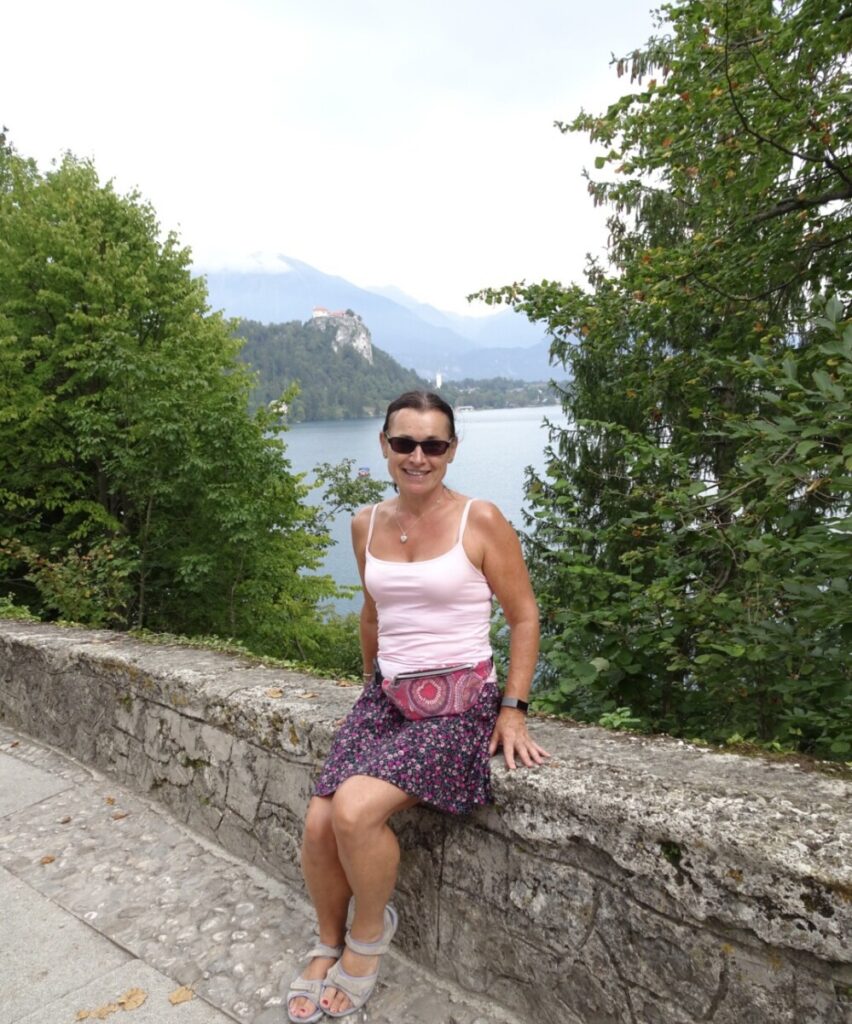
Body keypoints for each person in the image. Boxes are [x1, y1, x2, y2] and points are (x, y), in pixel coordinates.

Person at [287, 390, 548, 1021]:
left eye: (433, 444)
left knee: (352, 810)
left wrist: (512, 708)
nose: (418, 456)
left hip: (461, 706)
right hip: (387, 700)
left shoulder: (479, 520)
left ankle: (367, 942)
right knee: (318, 824)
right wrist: (371, 685)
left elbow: (524, 615)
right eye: (405, 442)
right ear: (384, 446)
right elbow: (375, 612)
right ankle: (327, 938)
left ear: (451, 451)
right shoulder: (365, 524)